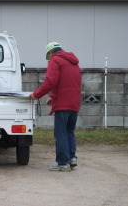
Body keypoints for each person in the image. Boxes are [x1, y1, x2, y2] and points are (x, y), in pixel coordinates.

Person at [29, 42, 81, 172]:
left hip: (63, 104)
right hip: (74, 103)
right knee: (69, 131)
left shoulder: (55, 60)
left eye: (49, 55)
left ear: (51, 52)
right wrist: (53, 96)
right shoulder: (74, 62)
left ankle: (63, 163)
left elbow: (51, 81)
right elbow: (65, 82)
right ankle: (72, 158)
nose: (49, 58)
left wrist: (36, 95)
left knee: (61, 132)